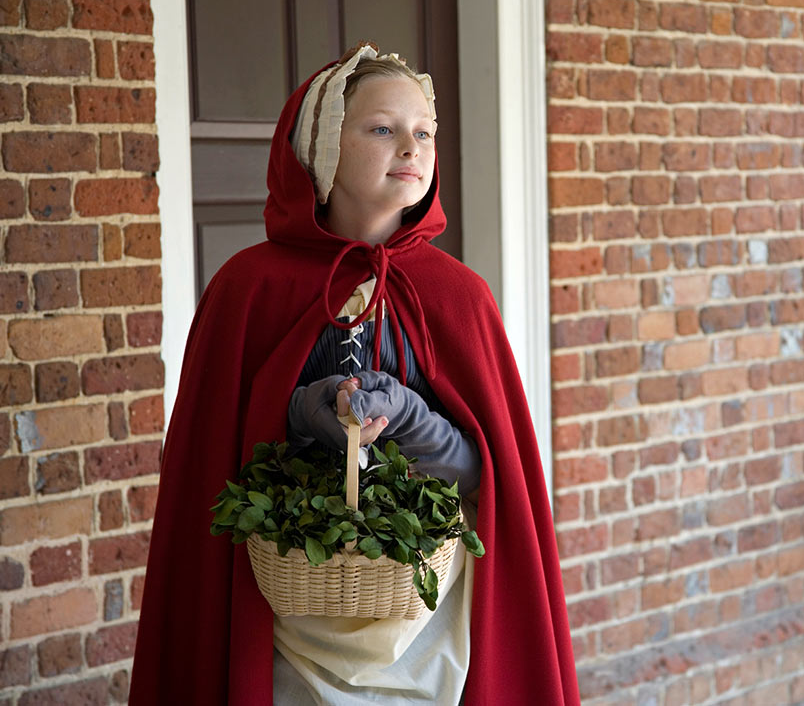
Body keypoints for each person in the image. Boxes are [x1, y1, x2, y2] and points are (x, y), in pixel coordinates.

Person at [129, 43, 580, 705]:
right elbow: (222, 465)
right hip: (285, 621)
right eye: (382, 128)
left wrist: (410, 418)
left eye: (423, 131)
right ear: (320, 148)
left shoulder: (461, 297)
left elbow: (486, 474)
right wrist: (305, 413)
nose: (412, 146)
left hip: (426, 624)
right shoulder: (247, 290)